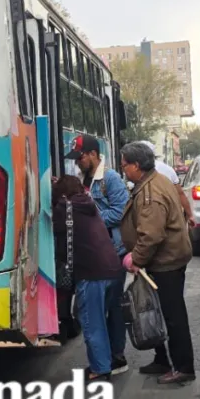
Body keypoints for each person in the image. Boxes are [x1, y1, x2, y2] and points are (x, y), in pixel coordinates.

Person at [118, 142, 195, 385]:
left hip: (167, 262)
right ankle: (162, 358)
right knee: (158, 312)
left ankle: (183, 366)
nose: (123, 170)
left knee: (172, 316)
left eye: (124, 166)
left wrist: (136, 258)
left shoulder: (151, 192)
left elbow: (152, 235)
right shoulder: (153, 181)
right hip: (164, 260)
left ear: (136, 165)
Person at [64, 134, 130, 375]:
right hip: (95, 254)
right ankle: (107, 359)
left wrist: (90, 218)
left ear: (93, 154)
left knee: (111, 308)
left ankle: (116, 358)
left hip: (114, 253)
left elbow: (121, 211)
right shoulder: (83, 179)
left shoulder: (110, 178)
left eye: (80, 157)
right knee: (98, 311)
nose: (78, 162)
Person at [52, 175, 128, 382]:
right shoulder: (89, 203)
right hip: (113, 268)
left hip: (92, 273)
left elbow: (53, 222)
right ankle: (112, 358)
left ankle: (100, 369)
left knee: (91, 321)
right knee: (109, 317)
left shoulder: (65, 209)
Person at [136, 140, 196, 229]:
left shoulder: (137, 171)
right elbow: (180, 194)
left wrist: (190, 214)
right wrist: (190, 215)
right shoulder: (167, 169)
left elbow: (180, 194)